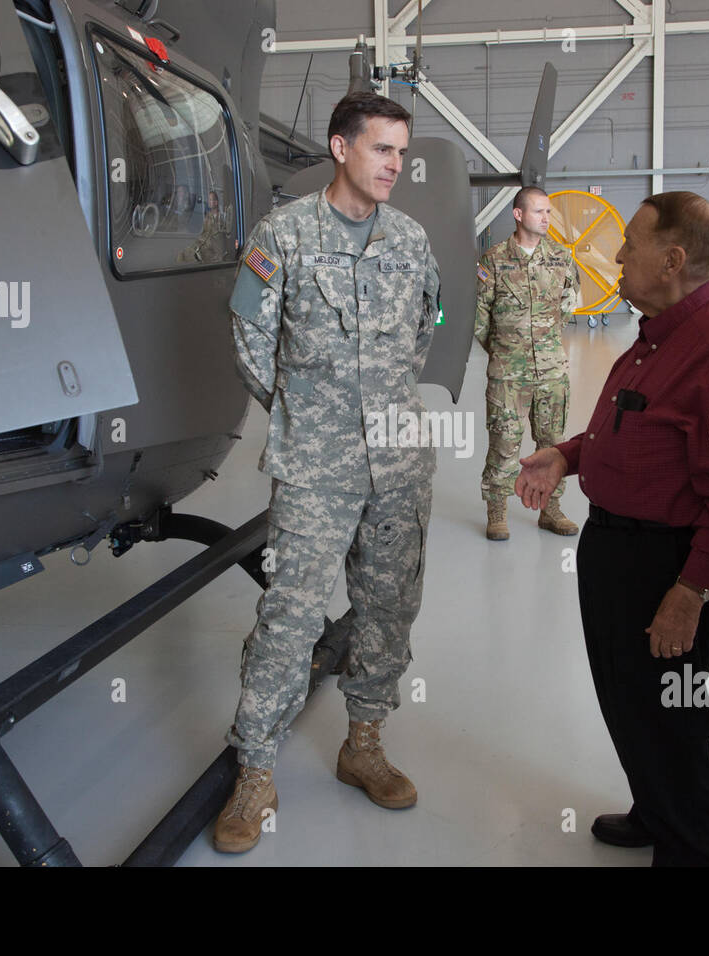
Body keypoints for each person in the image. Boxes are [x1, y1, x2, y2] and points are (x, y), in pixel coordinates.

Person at [216, 92, 441, 854]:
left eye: (402, 154)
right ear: (341, 148)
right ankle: (254, 768)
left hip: (398, 460)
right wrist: (302, 411)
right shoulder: (284, 233)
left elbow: (423, 330)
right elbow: (250, 331)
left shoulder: (411, 240)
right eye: (383, 150)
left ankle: (363, 744)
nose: (395, 166)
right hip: (315, 466)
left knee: (388, 607)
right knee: (292, 614)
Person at [517, 192, 709, 866]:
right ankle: (656, 812)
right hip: (616, 549)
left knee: (671, 714)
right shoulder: (659, 330)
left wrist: (689, 594)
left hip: (664, 563)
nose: (619, 254)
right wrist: (565, 456)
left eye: (631, 242)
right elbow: (633, 427)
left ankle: (693, 848)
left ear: (674, 258)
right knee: (631, 701)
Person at [474, 186, 582, 540]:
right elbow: (479, 319)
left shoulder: (561, 258)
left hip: (551, 372)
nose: (546, 219)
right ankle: (497, 513)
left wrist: (544, 341)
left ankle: (551, 511)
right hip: (508, 374)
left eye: (549, 213)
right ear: (518, 215)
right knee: (504, 444)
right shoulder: (493, 260)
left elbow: (568, 304)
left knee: (553, 443)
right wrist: (506, 350)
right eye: (539, 212)